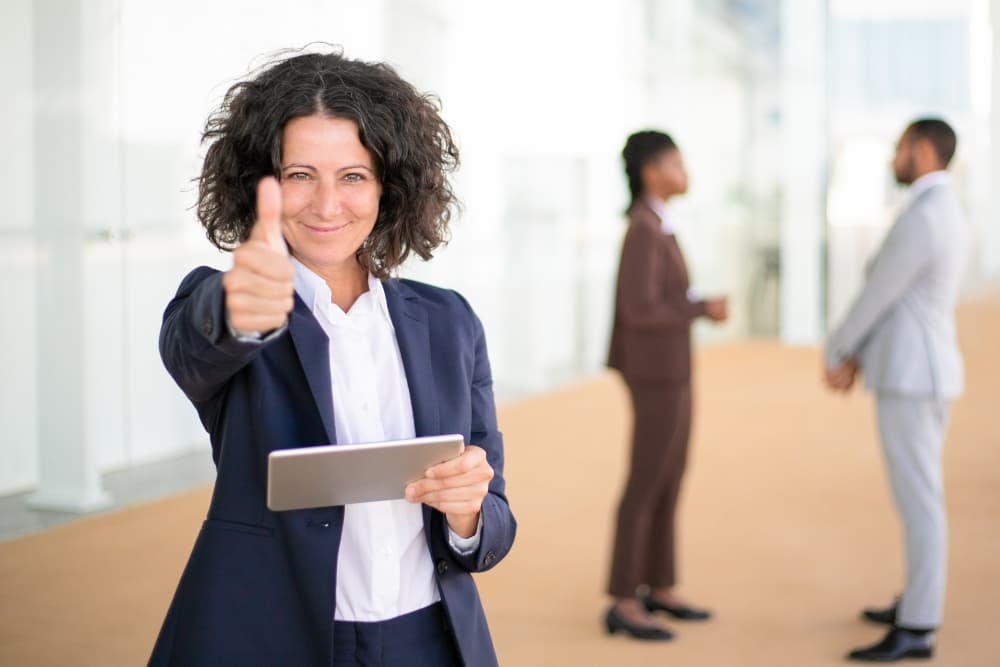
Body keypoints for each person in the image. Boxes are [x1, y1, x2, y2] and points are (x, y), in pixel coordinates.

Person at [150, 49, 516, 666]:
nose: (326, 205)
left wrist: (468, 513)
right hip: (272, 635)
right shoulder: (229, 305)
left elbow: (493, 526)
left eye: (353, 176)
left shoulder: (449, 321)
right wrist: (240, 301)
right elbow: (193, 349)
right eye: (299, 175)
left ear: (388, 185)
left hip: (428, 639)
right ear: (260, 185)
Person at [824, 118, 967, 663]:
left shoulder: (926, 215)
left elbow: (878, 293)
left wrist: (837, 350)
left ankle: (919, 624)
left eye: (900, 149)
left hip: (914, 375)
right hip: (916, 370)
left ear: (923, 151)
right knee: (916, 498)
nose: (893, 158)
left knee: (920, 500)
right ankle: (915, 601)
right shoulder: (936, 209)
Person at [604, 130, 728, 641]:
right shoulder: (643, 229)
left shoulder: (658, 225)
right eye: (677, 162)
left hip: (670, 369)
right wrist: (701, 308)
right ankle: (622, 598)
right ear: (652, 171)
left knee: (670, 475)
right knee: (648, 480)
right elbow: (638, 309)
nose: (685, 171)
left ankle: (659, 584)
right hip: (655, 373)